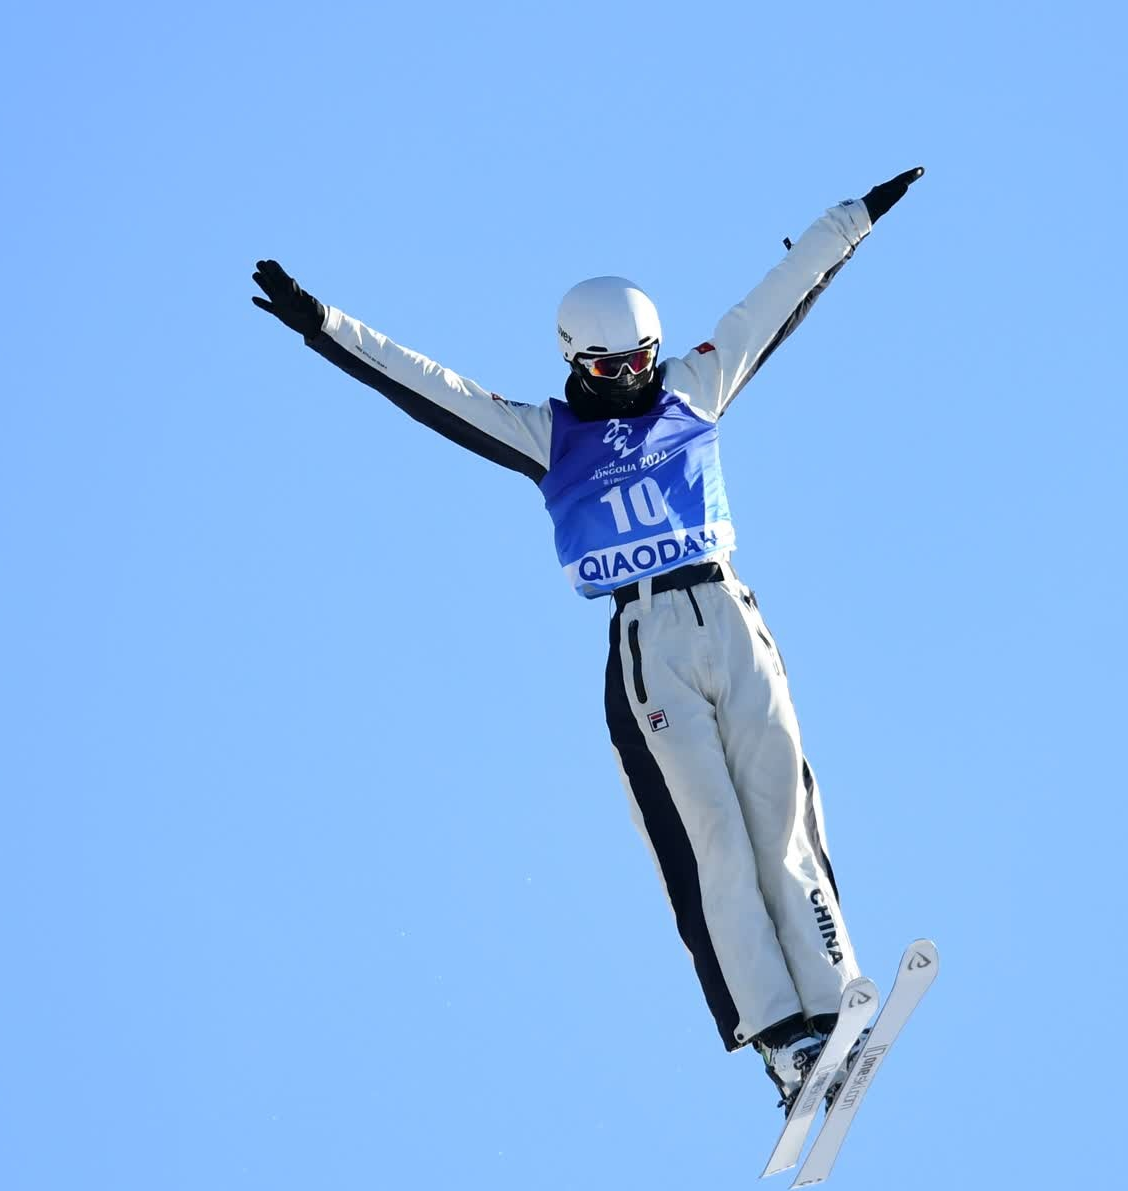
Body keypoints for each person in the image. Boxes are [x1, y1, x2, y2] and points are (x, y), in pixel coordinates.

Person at [251, 167, 924, 1110]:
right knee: (714, 843)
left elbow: (773, 301)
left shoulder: (694, 388)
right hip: (645, 635)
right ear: (576, 361)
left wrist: (853, 217)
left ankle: (832, 1006)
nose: (635, 380)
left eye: (643, 359)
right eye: (613, 369)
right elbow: (426, 385)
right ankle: (782, 1040)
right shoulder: (546, 436)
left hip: (728, 610)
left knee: (785, 819)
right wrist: (322, 324)